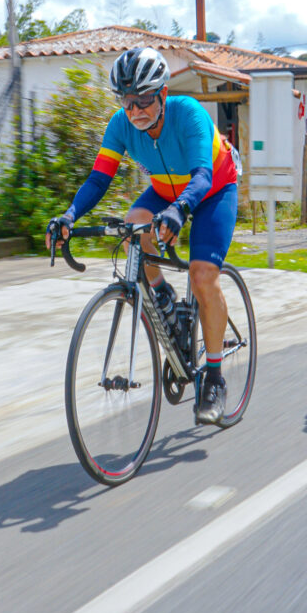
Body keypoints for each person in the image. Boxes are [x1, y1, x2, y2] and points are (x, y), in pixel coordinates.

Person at [46, 46, 239, 426]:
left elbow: (202, 176)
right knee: (133, 226)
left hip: (214, 188)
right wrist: (69, 216)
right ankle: (163, 296)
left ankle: (214, 378)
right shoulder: (120, 125)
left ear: (163, 93)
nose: (135, 110)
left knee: (202, 275)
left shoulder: (189, 114)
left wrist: (180, 210)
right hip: (165, 191)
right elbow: (98, 179)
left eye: (144, 99)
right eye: (127, 101)